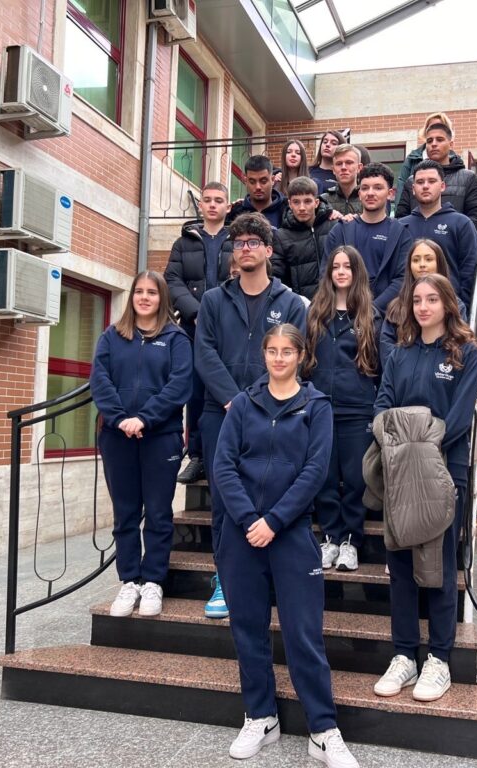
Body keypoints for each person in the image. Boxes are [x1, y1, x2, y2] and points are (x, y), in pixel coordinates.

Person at [213, 324, 360, 768]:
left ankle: (323, 730)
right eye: (272, 351)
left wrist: (274, 521)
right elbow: (223, 466)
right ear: (263, 355)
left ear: (300, 356)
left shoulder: (317, 406)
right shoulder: (243, 404)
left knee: (303, 633)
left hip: (291, 533)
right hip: (241, 535)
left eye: (287, 352)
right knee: (248, 630)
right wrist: (249, 520)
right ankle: (260, 716)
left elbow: (315, 471)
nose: (279, 358)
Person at [372, 273, 477, 703]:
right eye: (417, 299)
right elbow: (382, 408)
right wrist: (401, 442)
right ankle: (404, 655)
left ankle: (439, 658)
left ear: (447, 304)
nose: (423, 307)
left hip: (443, 471)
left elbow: (458, 418)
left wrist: (419, 441)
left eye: (432, 299)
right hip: (399, 473)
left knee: (438, 570)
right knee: (400, 569)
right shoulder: (399, 355)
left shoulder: (465, 354)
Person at [194, 213, 308, 619]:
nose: (244, 248)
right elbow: (204, 353)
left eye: (252, 242)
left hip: (272, 412)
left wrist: (255, 401)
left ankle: (269, 578)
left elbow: (290, 356)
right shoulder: (213, 300)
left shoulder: (290, 303)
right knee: (225, 500)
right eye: (238, 243)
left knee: (271, 494)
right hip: (219, 412)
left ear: (268, 250)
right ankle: (225, 580)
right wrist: (232, 400)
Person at [89, 271, 193, 618]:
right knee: (126, 514)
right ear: (131, 296)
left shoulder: (176, 339)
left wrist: (145, 418)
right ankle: (129, 580)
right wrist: (120, 418)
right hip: (116, 437)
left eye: (152, 292)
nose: (145, 297)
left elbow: (179, 386)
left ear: (162, 298)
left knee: (159, 513)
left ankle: (153, 582)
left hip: (160, 437)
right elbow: (100, 380)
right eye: (139, 292)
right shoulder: (112, 336)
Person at [304, 246, 381, 572]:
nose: (340, 272)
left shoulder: (369, 315)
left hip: (357, 409)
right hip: (320, 408)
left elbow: (379, 367)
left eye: (347, 266)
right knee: (324, 477)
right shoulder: (315, 313)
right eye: (335, 266)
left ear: (356, 272)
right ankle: (330, 539)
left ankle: (350, 541)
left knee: (354, 479)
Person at [165, 181, 235, 484]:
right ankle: (197, 456)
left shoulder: (236, 240)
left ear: (228, 207)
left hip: (230, 327)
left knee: (226, 388)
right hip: (193, 327)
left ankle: (229, 451)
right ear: (201, 205)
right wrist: (196, 313)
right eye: (207, 200)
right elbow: (172, 280)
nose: (212, 205)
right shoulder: (184, 243)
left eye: (219, 200)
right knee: (194, 392)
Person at [323, 162, 413, 313]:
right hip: (345, 314)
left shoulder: (400, 233)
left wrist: (372, 310)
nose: (370, 193)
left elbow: (402, 279)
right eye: (365, 188)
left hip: (385, 317)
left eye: (378, 188)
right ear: (359, 194)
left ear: (390, 193)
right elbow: (326, 274)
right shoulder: (340, 231)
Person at [398, 160, 477, 306]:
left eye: (431, 181)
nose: (425, 186)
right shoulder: (400, 226)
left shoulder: (462, 223)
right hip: (407, 307)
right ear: (413, 189)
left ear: (442, 186)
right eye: (420, 182)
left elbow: (469, 271)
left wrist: (462, 308)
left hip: (449, 307)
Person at [380, 238, 465, 363]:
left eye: (428, 259)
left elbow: (457, 345)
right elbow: (386, 347)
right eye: (415, 260)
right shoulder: (396, 306)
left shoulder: (456, 305)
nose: (422, 264)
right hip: (401, 372)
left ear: (439, 263)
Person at [394, 121, 477, 232]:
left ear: (451, 144)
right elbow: (401, 217)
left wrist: (455, 236)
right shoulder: (411, 181)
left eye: (439, 139)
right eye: (429, 141)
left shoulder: (468, 178)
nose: (433, 144)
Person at [273, 176, 337, 301]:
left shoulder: (334, 227)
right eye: (296, 202)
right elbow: (277, 278)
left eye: (307, 201)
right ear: (290, 204)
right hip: (301, 306)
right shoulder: (281, 237)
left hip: (334, 303)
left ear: (316, 202)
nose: (302, 207)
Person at [393, 112, 454, 201]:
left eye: (439, 126)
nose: (435, 129)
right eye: (431, 127)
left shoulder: (456, 162)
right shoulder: (412, 159)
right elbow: (402, 187)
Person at [228, 155, 286, 228]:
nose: (258, 187)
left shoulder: (285, 212)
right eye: (252, 182)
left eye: (263, 181)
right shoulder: (235, 213)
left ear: (273, 180)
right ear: (245, 181)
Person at [320, 144, 363, 219]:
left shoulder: (369, 199)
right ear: (333, 170)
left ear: (359, 167)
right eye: (339, 164)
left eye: (349, 162)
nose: (343, 167)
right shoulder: (323, 200)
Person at [309, 129, 346, 194]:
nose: (327, 145)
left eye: (333, 143)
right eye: (325, 142)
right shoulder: (308, 171)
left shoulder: (343, 174)